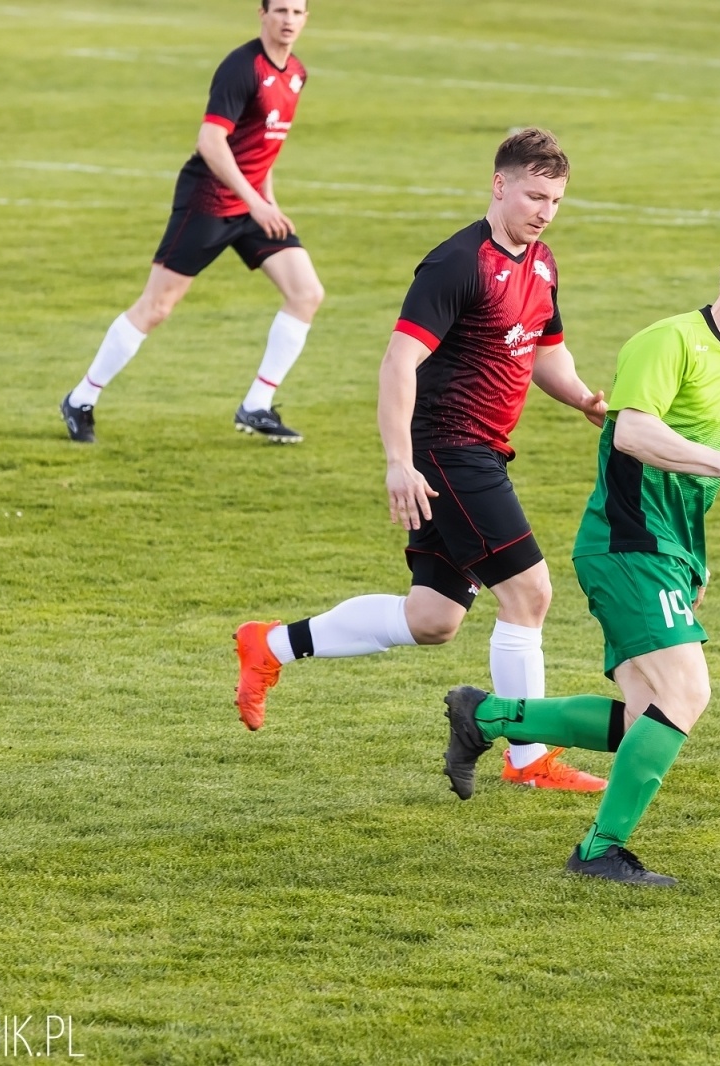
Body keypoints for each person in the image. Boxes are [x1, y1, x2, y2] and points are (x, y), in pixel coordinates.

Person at [440, 230, 720, 885]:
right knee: (687, 691)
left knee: (641, 717)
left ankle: (482, 715)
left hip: (663, 554)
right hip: (626, 545)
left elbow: (688, 481)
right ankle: (599, 852)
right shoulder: (669, 342)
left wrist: (694, 565)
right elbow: (633, 431)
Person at [233, 128, 610, 793]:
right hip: (450, 448)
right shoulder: (456, 264)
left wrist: (580, 396)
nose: (545, 210)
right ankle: (528, 759)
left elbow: (545, 350)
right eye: (533, 195)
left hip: (481, 450)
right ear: (499, 185)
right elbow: (398, 362)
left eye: (555, 199)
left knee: (433, 618)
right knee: (529, 593)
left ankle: (269, 646)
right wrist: (399, 462)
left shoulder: (542, 262)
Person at [60, 0, 322, 445]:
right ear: (261, 14)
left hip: (252, 205)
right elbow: (211, 140)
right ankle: (80, 399)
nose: (288, 21)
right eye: (279, 10)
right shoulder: (241, 68)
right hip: (208, 201)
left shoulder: (296, 73)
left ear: (306, 19)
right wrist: (255, 202)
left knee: (306, 293)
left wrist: (268, 201)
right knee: (157, 307)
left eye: (297, 12)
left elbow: (261, 144)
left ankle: (256, 405)